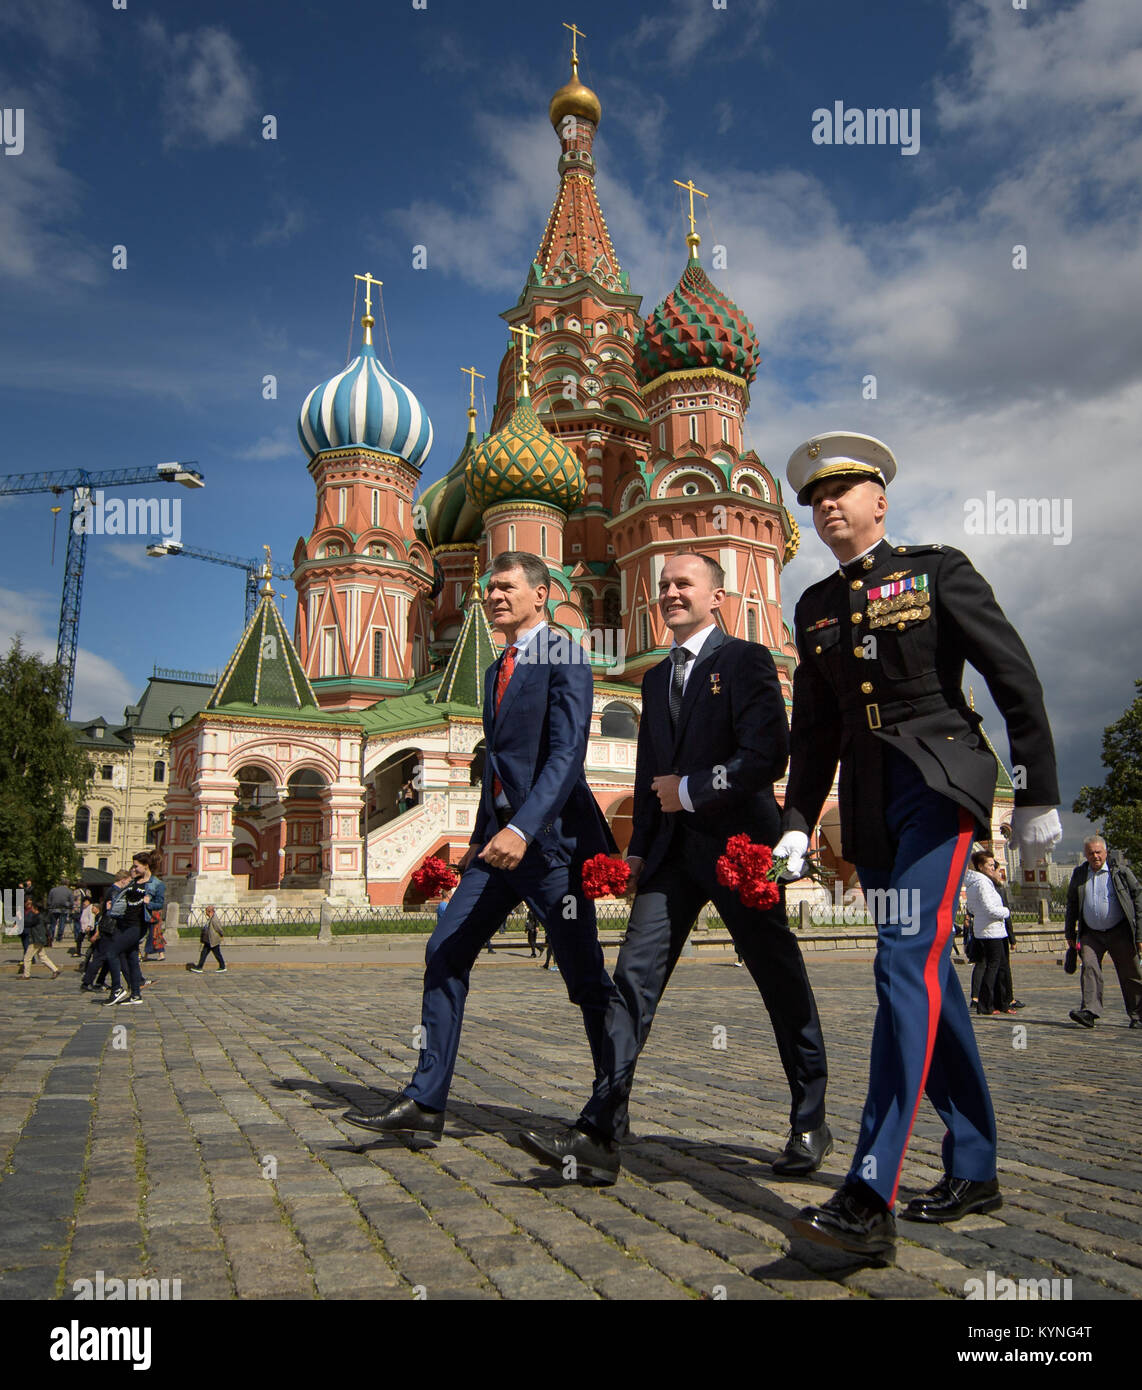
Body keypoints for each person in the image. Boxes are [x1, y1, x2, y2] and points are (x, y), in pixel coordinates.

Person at [776, 432, 1061, 1259]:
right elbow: (817, 723)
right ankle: (974, 1164)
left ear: (879, 500)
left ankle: (869, 1190)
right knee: (922, 970)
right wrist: (798, 818)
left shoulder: (938, 571)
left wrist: (1038, 787)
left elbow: (1013, 673)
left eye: (844, 490)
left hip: (938, 782)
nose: (828, 505)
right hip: (868, 803)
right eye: (815, 498)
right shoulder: (815, 606)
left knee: (904, 962)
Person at [519, 551, 830, 1186]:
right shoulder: (654, 680)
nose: (669, 594)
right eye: (662, 586)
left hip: (742, 850)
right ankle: (602, 1129)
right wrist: (635, 851)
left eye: (683, 584)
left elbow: (766, 755)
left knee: (778, 978)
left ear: (718, 598)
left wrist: (688, 790)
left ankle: (810, 1116)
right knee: (633, 977)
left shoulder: (746, 662)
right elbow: (645, 773)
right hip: (670, 858)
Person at [342, 552, 618, 1139]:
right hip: (494, 849)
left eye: (505, 587)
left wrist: (524, 829)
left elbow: (567, 757)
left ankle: (609, 1109)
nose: (493, 596)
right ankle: (426, 1102)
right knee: (444, 951)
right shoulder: (496, 669)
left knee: (585, 978)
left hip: (549, 848)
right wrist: (478, 839)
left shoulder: (562, 653)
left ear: (540, 595)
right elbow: (495, 764)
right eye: (488, 588)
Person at [1065, 836, 1142, 1029]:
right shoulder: (1080, 874)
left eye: (1098, 852)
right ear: (1085, 855)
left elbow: (1139, 900)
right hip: (1091, 933)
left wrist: (1140, 935)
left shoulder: (1121, 872)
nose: (1095, 856)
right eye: (1091, 852)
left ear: (1106, 853)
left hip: (1120, 931)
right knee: (1089, 967)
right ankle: (1090, 1012)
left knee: (1130, 973)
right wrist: (1070, 933)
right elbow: (1072, 904)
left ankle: (1138, 1015)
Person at [102, 851, 165, 1006]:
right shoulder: (134, 881)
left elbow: (160, 904)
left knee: (111, 953)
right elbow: (125, 897)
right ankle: (136, 994)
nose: (134, 869)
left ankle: (116, 988)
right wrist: (114, 904)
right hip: (123, 922)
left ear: (146, 866)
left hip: (137, 925)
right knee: (131, 959)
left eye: (137, 866)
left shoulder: (156, 884)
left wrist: (148, 903)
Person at [964, 851, 1012, 1015]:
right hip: (991, 931)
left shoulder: (974, 883)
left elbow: (971, 908)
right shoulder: (982, 883)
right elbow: (990, 908)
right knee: (993, 967)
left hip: (985, 928)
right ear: (980, 866)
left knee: (996, 966)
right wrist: (1005, 912)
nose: (993, 867)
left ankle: (998, 1003)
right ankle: (985, 1004)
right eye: (990, 865)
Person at [19, 898, 61, 980]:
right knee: (43, 957)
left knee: (27, 958)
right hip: (40, 939)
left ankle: (26, 975)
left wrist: (20, 919)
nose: (31, 909)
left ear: (35, 908)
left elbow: (28, 923)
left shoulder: (37, 917)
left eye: (32, 908)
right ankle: (55, 970)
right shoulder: (39, 916)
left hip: (36, 940)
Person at [188, 905, 226, 973]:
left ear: (210, 912)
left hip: (213, 940)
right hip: (208, 940)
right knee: (204, 953)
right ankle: (199, 967)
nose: (206, 913)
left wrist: (222, 935)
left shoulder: (214, 919)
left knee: (217, 954)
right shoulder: (211, 918)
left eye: (206, 912)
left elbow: (219, 928)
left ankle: (222, 966)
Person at [47, 880, 72, 946]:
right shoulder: (69, 891)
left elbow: (49, 901)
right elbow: (71, 902)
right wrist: (67, 904)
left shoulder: (53, 890)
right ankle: (59, 937)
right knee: (62, 924)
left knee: (53, 924)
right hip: (64, 910)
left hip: (53, 909)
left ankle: (51, 937)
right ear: (67, 884)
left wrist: (51, 906)